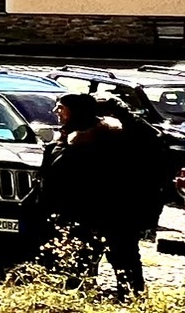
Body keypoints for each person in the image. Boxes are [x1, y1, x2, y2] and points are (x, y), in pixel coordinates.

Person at [35, 94, 152, 296]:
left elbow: (150, 137)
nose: (56, 113)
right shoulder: (60, 142)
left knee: (124, 262)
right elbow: (47, 179)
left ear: (76, 111)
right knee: (76, 268)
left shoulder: (113, 140)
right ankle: (77, 301)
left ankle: (132, 301)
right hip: (73, 218)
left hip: (113, 215)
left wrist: (118, 108)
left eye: (61, 108)